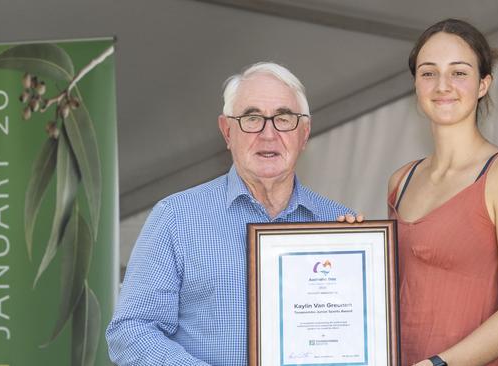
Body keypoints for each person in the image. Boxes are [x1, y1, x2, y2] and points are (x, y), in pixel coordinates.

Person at [106, 62, 359, 365]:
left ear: (304, 134)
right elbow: (130, 331)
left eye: (284, 118)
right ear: (227, 131)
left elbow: (361, 334)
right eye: (252, 118)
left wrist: (362, 255)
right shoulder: (176, 218)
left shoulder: (341, 224)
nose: (269, 134)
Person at [387, 19, 498, 366]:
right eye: (429, 73)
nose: (442, 85)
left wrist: (437, 365)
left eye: (459, 72)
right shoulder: (400, 181)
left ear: (483, 84)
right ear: (415, 83)